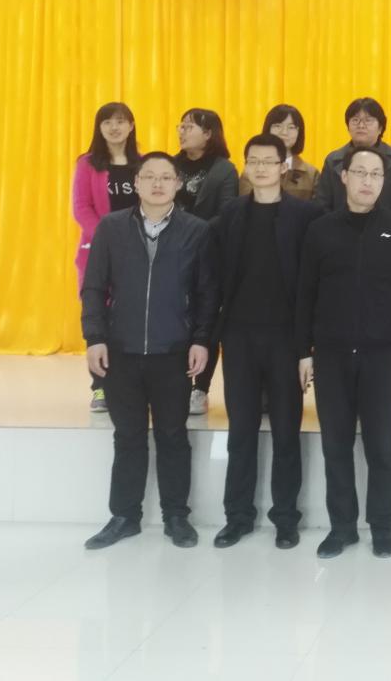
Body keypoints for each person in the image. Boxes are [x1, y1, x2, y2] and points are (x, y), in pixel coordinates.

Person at [80, 152, 219, 550]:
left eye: (166, 177)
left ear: (178, 184)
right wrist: (94, 337)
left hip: (173, 351)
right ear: (136, 183)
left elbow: (208, 293)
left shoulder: (197, 231)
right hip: (120, 350)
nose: (158, 184)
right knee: (128, 436)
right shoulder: (111, 228)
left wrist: (201, 339)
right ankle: (125, 516)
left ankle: (176, 516)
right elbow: (93, 287)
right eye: (149, 177)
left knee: (173, 435)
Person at [298, 147, 391, 559]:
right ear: (344, 177)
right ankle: (342, 527)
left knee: (381, 446)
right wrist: (304, 351)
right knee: (335, 445)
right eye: (360, 173)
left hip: (380, 355)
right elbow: (305, 293)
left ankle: (382, 527)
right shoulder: (320, 230)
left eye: (375, 174)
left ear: (384, 182)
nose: (367, 181)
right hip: (330, 354)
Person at [211, 134, 320, 551]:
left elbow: (312, 286)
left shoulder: (305, 217)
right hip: (239, 337)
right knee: (240, 430)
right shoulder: (230, 215)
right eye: (253, 161)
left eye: (268, 161)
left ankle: (286, 518)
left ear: (283, 166)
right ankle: (237, 517)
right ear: (245, 166)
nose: (260, 168)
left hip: (286, 339)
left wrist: (307, 347)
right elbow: (216, 276)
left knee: (287, 432)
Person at [72, 102, 140, 413]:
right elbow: (81, 208)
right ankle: (99, 386)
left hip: (138, 253)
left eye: (121, 121)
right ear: (99, 128)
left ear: (131, 126)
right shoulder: (87, 163)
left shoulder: (143, 163)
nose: (115, 127)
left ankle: (129, 385)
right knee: (99, 316)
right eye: (108, 122)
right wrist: (107, 239)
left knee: (132, 320)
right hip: (99, 252)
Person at [175, 107, 239, 415]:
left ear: (209, 133)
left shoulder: (224, 169)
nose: (182, 131)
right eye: (181, 126)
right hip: (172, 253)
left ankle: (200, 388)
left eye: (189, 126)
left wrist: (193, 231)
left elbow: (226, 212)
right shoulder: (171, 165)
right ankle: (175, 383)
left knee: (207, 320)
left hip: (209, 254)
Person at [314, 97, 391, 214]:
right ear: (348, 126)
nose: (361, 125)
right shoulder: (333, 160)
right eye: (355, 120)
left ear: (380, 128)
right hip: (341, 223)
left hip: (387, 224)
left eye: (368, 120)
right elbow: (323, 205)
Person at [238, 104, 319, 201]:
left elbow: (316, 208)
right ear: (268, 129)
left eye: (291, 127)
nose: (284, 132)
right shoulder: (251, 171)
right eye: (277, 126)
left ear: (299, 132)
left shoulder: (311, 174)